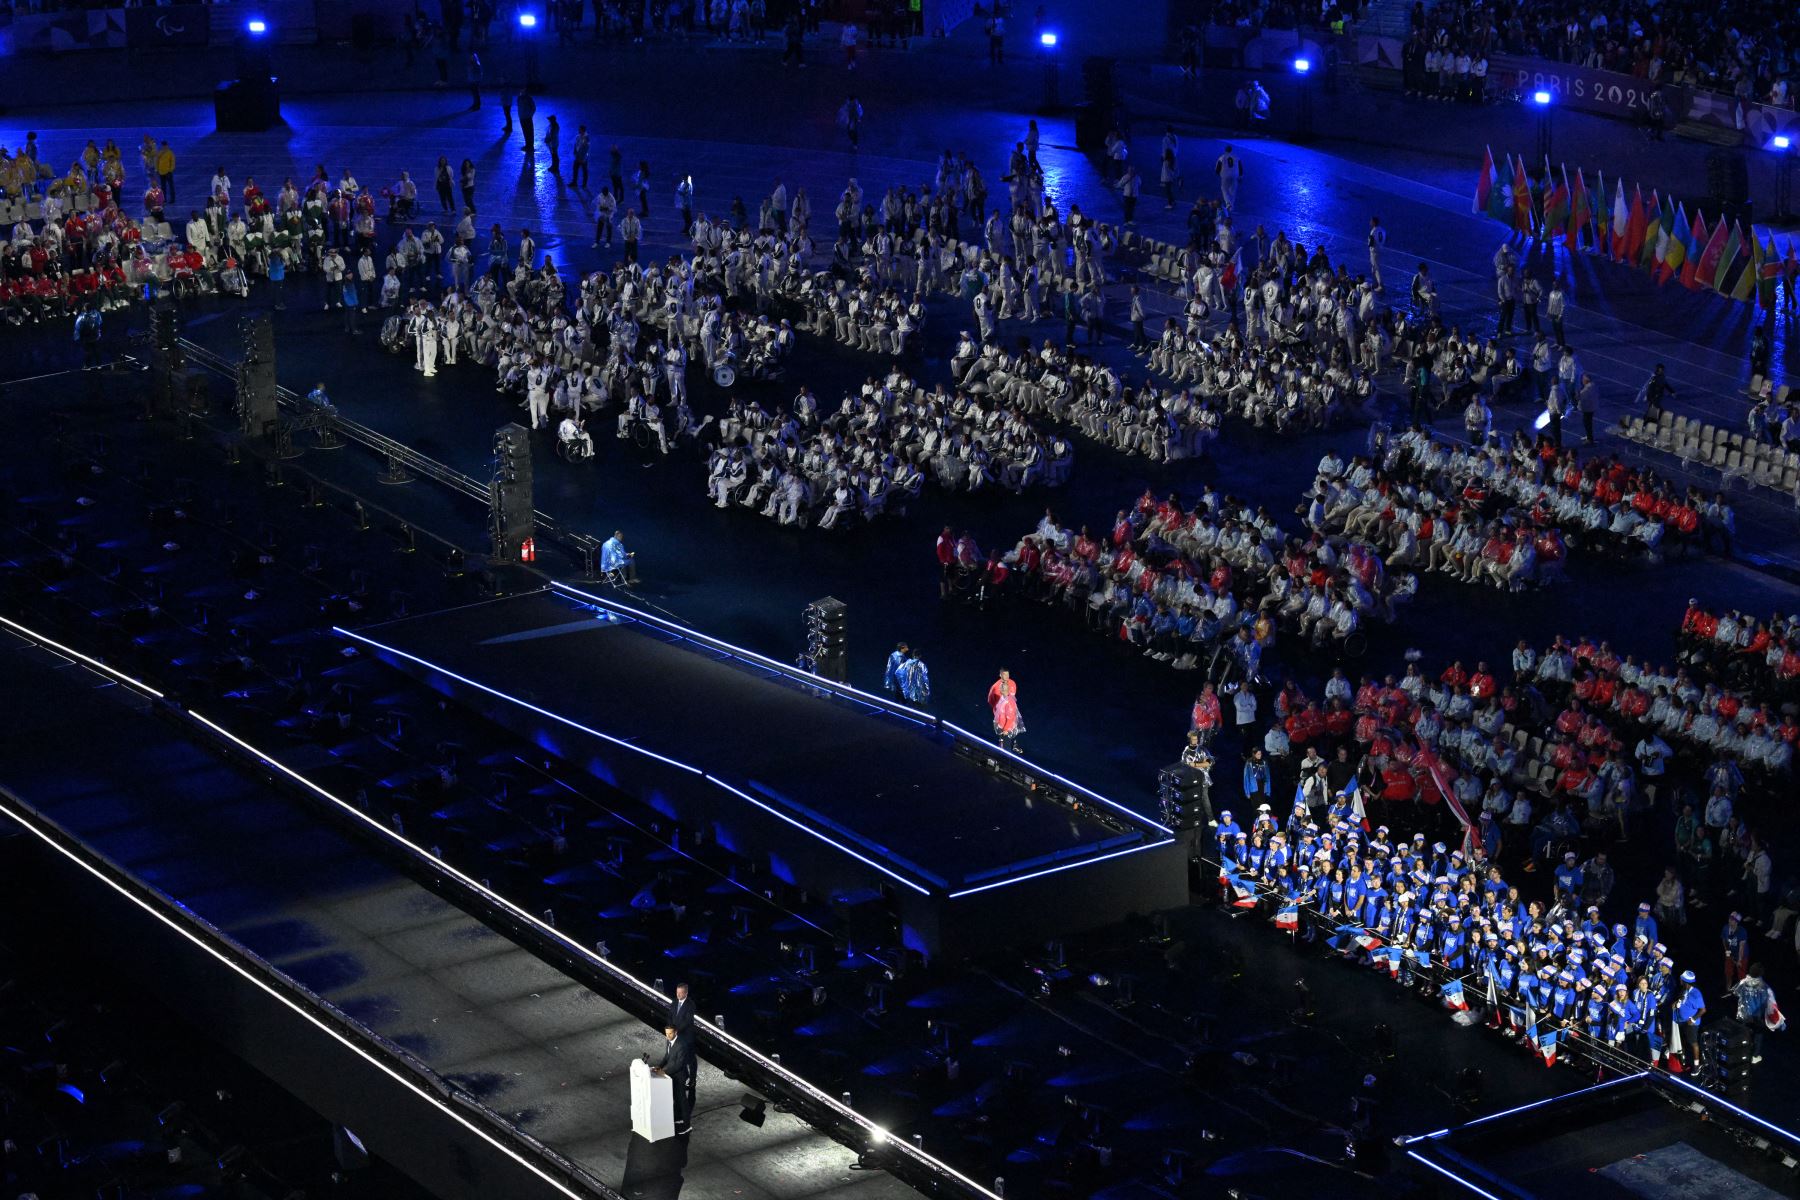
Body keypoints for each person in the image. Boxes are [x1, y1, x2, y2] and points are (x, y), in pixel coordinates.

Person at [651, 1024, 695, 1132]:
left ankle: (687, 1126)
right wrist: (660, 1066)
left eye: (670, 1033)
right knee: (676, 1098)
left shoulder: (681, 1045)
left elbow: (679, 1065)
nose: (668, 1036)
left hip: (680, 1076)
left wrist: (663, 1071)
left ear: (675, 1032)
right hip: (672, 1075)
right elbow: (667, 1056)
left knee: (682, 1101)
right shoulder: (669, 1041)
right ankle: (679, 1118)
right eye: (666, 1033)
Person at [668, 983, 698, 1112]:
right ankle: (683, 1076)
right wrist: (670, 1028)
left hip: (686, 1036)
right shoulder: (674, 1002)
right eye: (677, 992)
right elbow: (670, 1016)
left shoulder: (690, 1005)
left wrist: (677, 1030)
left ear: (685, 993)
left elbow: (687, 1021)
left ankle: (692, 1079)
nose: (678, 995)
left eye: (680, 993)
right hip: (675, 1034)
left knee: (690, 1058)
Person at [988, 668, 1023, 751]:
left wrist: (1006, 729)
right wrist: (997, 709)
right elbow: (990, 700)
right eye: (1004, 674)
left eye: (1008, 674)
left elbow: (1011, 716)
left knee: (1007, 736)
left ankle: (1010, 747)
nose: (1007, 676)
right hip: (1001, 715)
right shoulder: (995, 687)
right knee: (1002, 738)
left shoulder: (1012, 684)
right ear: (1000, 675)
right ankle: (1006, 745)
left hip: (1008, 714)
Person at [1215, 144, 1242, 212]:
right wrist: (1240, 176)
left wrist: (1219, 174)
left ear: (1225, 150)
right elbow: (1240, 167)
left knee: (1224, 189)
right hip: (1235, 176)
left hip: (1225, 175)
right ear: (1231, 150)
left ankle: (1228, 203)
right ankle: (1231, 208)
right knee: (1233, 191)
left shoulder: (1222, 157)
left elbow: (1217, 168)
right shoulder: (1236, 157)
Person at [1367, 216, 1386, 291]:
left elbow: (1370, 243)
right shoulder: (1382, 230)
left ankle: (1380, 285)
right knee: (1374, 268)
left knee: (1376, 269)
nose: (1370, 222)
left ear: (1374, 222)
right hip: (1380, 250)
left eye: (1371, 221)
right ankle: (1375, 283)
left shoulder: (1373, 231)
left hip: (1374, 252)